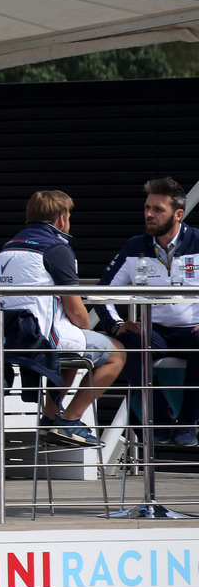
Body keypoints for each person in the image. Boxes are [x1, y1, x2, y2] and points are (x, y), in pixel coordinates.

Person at [0, 191, 125, 448]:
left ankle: (51, 417)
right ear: (62, 219)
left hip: (10, 337)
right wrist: (90, 334)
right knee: (117, 354)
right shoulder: (57, 249)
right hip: (42, 337)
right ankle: (70, 419)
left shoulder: (8, 248)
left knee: (78, 345)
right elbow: (76, 310)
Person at [95, 177, 199, 447]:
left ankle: (189, 423)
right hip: (153, 331)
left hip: (193, 330)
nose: (149, 215)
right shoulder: (135, 247)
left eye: (157, 209)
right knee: (127, 343)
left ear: (178, 214)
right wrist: (117, 324)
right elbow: (101, 293)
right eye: (147, 208)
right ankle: (160, 421)